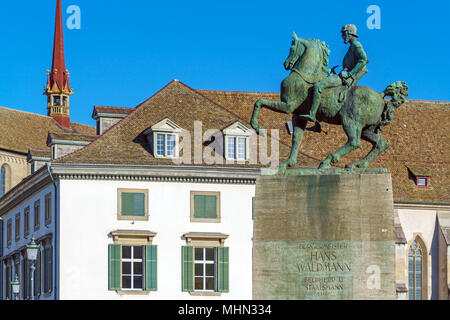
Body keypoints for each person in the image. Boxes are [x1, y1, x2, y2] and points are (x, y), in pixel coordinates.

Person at [299, 24, 369, 126]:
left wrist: (350, 73)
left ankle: (312, 114)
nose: (342, 37)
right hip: (343, 75)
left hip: (345, 78)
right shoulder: (352, 47)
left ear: (348, 33)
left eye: (343, 34)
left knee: (318, 86)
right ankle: (318, 123)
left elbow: (363, 59)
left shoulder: (356, 45)